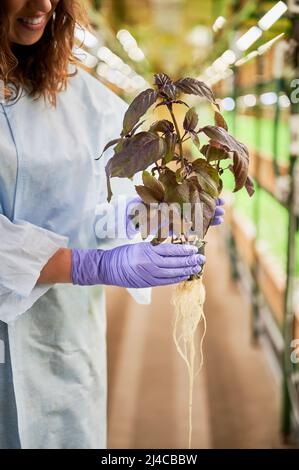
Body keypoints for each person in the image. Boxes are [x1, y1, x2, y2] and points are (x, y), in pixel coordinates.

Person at [0, 0, 225, 449]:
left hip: (66, 338)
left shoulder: (77, 92)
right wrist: (87, 266)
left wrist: (137, 214)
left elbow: (94, 198)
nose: (43, 5)